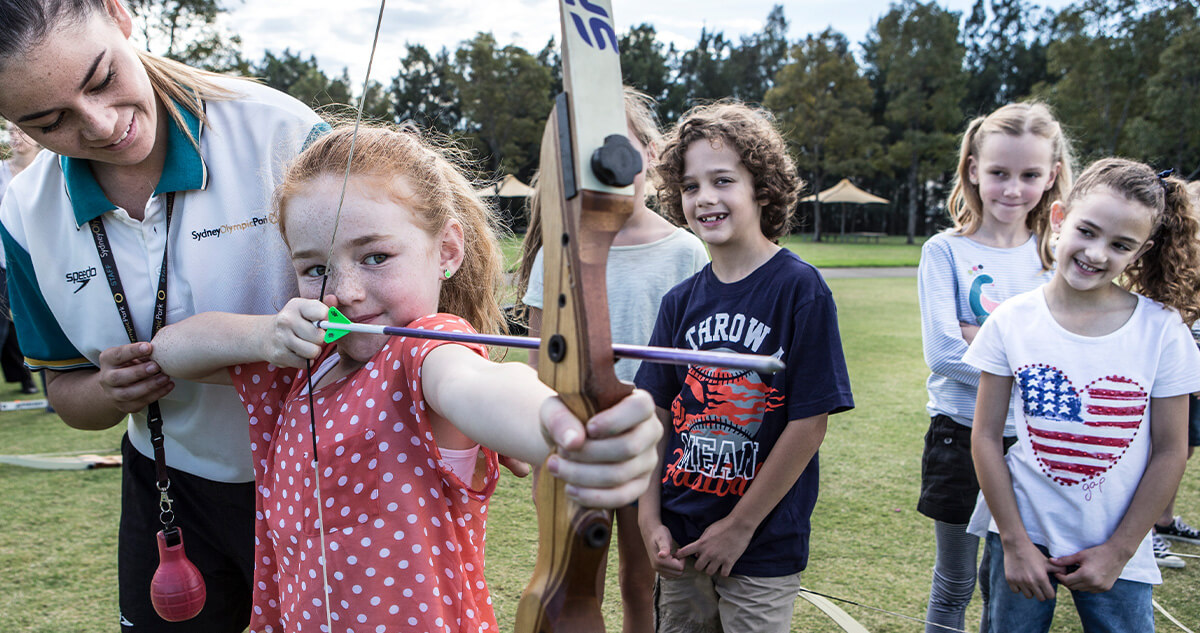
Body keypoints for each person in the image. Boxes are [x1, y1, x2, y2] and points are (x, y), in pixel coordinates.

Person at [148, 124, 663, 632]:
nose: (344, 291)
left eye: (376, 256)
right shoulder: (308, 365)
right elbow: (172, 349)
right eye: (316, 268)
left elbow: (475, 385)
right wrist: (265, 336)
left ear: (446, 252)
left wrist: (562, 425)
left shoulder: (424, 353)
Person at [0, 1, 328, 629]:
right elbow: (66, 392)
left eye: (101, 80)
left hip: (321, 486)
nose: (100, 125)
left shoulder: (281, 135)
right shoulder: (24, 211)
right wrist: (107, 389)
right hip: (170, 493)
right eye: (48, 121)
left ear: (119, 15)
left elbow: (398, 324)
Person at [634, 102, 854, 633]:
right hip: (681, 538)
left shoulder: (800, 290)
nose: (705, 197)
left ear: (761, 187)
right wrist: (648, 519)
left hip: (760, 546)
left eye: (722, 180)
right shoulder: (679, 302)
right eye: (690, 186)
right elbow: (656, 417)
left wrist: (739, 526)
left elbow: (809, 423)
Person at [966, 158, 1200, 632]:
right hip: (1020, 536)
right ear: (1058, 218)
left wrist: (1119, 550)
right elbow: (986, 437)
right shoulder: (1011, 320)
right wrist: (1014, 542)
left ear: (1142, 251)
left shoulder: (1163, 332)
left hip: (1119, 547)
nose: (1096, 253)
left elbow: (1171, 450)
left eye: (1120, 245)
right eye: (1087, 231)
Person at [516, 87, 708, 633]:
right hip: (574, 441)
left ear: (649, 152)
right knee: (575, 583)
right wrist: (538, 440)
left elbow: (693, 369)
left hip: (652, 444)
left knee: (639, 582)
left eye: (618, 144)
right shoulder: (560, 249)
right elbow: (536, 361)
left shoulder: (686, 251)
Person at [916, 102, 1072, 632]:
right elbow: (941, 354)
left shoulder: (1058, 256)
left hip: (1034, 446)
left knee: (1008, 586)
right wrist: (1027, 355)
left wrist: (977, 334)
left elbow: (1071, 351)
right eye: (999, 173)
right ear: (973, 171)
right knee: (954, 583)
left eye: (1029, 175)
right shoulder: (945, 252)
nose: (1012, 189)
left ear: (1051, 176)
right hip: (959, 437)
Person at [1150, 179, 1200, 567]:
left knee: (1182, 446)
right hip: (1172, 369)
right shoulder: (1171, 256)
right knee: (1160, 447)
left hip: (1191, 371)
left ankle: (1162, 521)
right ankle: (1144, 532)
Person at [0, 123, 42, 394]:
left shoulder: (52, 170)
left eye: (21, 131)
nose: (16, 137)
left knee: (33, 325)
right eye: (11, 131)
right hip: (3, 261)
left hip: (42, 262)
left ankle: (31, 380)